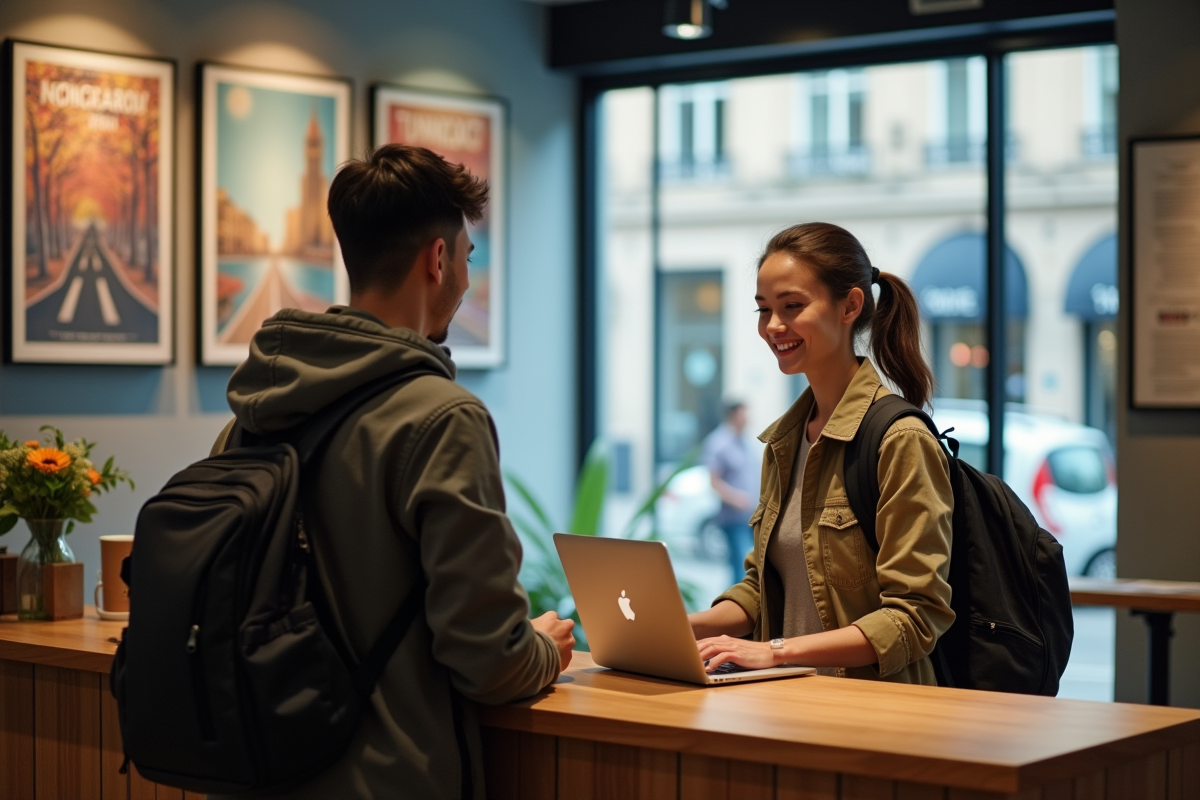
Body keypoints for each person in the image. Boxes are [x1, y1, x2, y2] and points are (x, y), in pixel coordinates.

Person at [214, 144, 575, 799]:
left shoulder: (251, 414)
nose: (465, 278)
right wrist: (543, 648)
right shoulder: (442, 418)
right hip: (386, 779)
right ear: (438, 259)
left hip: (254, 770)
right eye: (467, 258)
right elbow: (488, 660)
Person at [687, 221, 954, 685]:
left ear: (850, 306)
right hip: (788, 703)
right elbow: (763, 588)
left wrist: (773, 652)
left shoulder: (899, 439)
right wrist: (676, 627)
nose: (773, 326)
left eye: (792, 306)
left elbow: (914, 616)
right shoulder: (783, 443)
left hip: (871, 709)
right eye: (763, 309)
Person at [701, 400, 759, 584]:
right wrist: (736, 498)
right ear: (733, 415)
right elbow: (713, 481)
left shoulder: (745, 442)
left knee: (754, 565)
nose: (748, 417)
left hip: (752, 515)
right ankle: (733, 601)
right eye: (744, 413)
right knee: (740, 567)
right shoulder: (719, 442)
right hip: (734, 517)